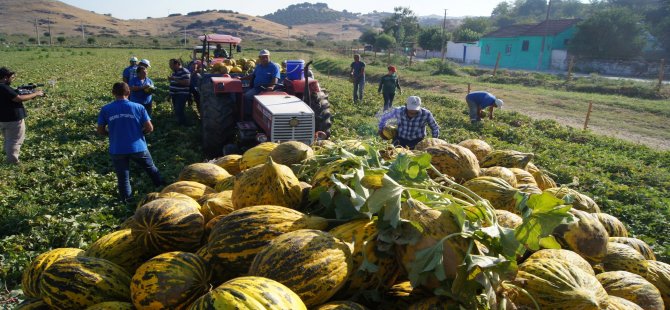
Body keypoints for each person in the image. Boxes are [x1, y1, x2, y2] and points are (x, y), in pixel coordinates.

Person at [97, 82, 163, 203]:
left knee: (123, 178)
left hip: (117, 149)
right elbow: (150, 128)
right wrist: (139, 134)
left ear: (113, 93)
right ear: (128, 92)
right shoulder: (138, 107)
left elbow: (100, 130)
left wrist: (112, 135)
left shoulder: (106, 109)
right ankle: (162, 188)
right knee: (151, 169)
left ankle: (127, 202)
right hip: (138, 147)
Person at [0, 67, 44, 164]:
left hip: (3, 119)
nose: (12, 79)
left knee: (8, 139)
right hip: (13, 119)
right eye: (11, 77)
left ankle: (9, 155)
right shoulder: (3, 87)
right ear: (5, 78)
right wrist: (36, 94)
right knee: (15, 140)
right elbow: (19, 98)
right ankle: (12, 162)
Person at [239, 49, 280, 120]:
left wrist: (271, 86)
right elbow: (252, 75)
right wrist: (241, 78)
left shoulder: (274, 66)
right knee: (247, 96)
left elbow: (275, 78)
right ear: (259, 58)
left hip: (267, 88)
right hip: (257, 88)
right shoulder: (258, 66)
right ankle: (249, 116)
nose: (265, 59)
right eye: (263, 57)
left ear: (269, 57)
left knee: (248, 96)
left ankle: (253, 116)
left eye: (266, 57)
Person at [168, 58, 192, 126]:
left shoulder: (185, 71)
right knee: (177, 110)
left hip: (181, 94)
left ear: (177, 64)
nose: (170, 66)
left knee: (179, 110)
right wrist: (171, 80)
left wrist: (174, 79)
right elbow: (174, 83)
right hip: (175, 94)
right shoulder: (174, 72)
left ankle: (184, 124)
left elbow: (187, 83)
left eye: (171, 65)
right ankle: (180, 123)